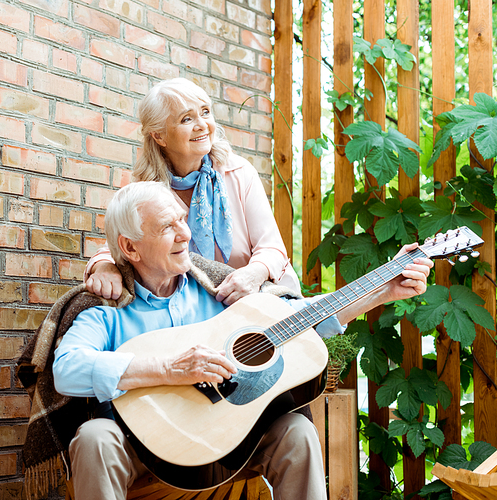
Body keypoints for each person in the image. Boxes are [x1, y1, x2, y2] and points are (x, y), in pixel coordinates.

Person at [53, 182, 433, 500]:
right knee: (94, 438)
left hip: (232, 436)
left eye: (183, 219)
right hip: (145, 445)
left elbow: (300, 317)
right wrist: (168, 369)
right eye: (168, 227)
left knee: (297, 432)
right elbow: (66, 369)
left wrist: (382, 291)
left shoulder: (220, 291)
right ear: (130, 247)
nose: (185, 234)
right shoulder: (106, 311)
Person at [85, 77, 300, 306]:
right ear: (159, 135)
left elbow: (272, 248)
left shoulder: (239, 173)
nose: (202, 125)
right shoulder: (144, 190)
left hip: (262, 301)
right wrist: (104, 266)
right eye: (187, 118)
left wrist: (253, 274)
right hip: (199, 313)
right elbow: (124, 244)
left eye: (205, 112)